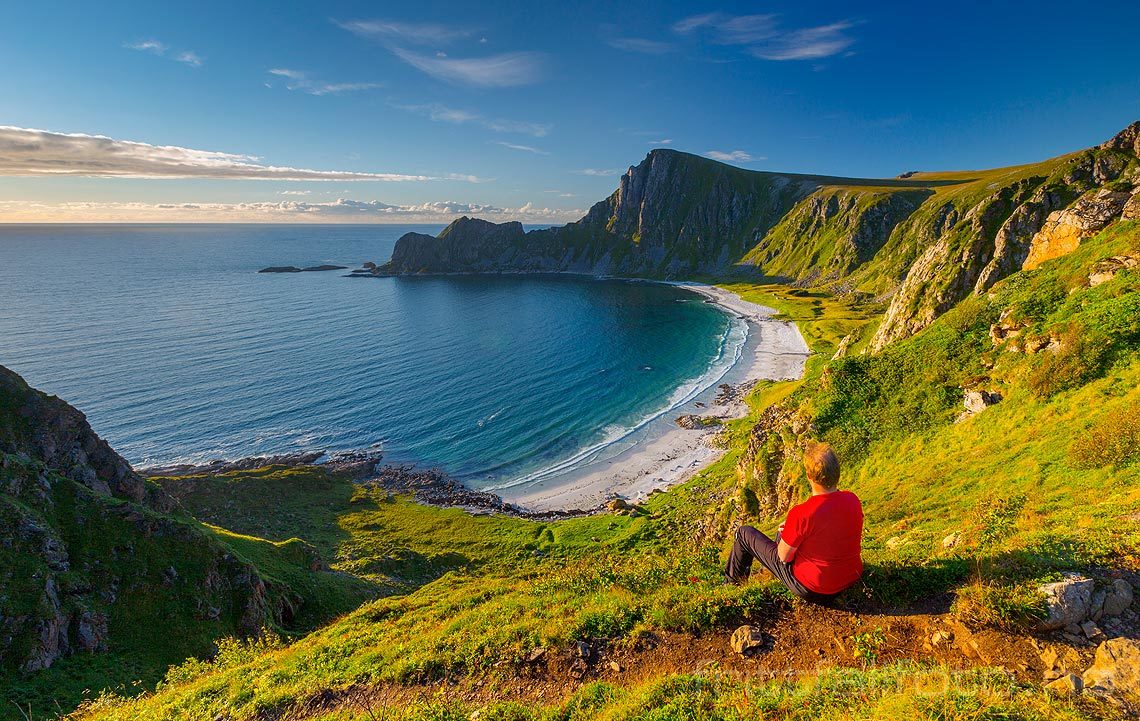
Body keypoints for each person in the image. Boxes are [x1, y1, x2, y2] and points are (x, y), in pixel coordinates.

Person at [724, 441, 863, 603]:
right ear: (836, 472)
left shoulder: (803, 513)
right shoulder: (852, 500)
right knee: (782, 532)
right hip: (850, 577)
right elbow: (832, 530)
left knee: (743, 533)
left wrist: (789, 533)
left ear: (809, 476)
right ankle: (765, 573)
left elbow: (784, 557)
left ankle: (731, 590)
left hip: (814, 588)